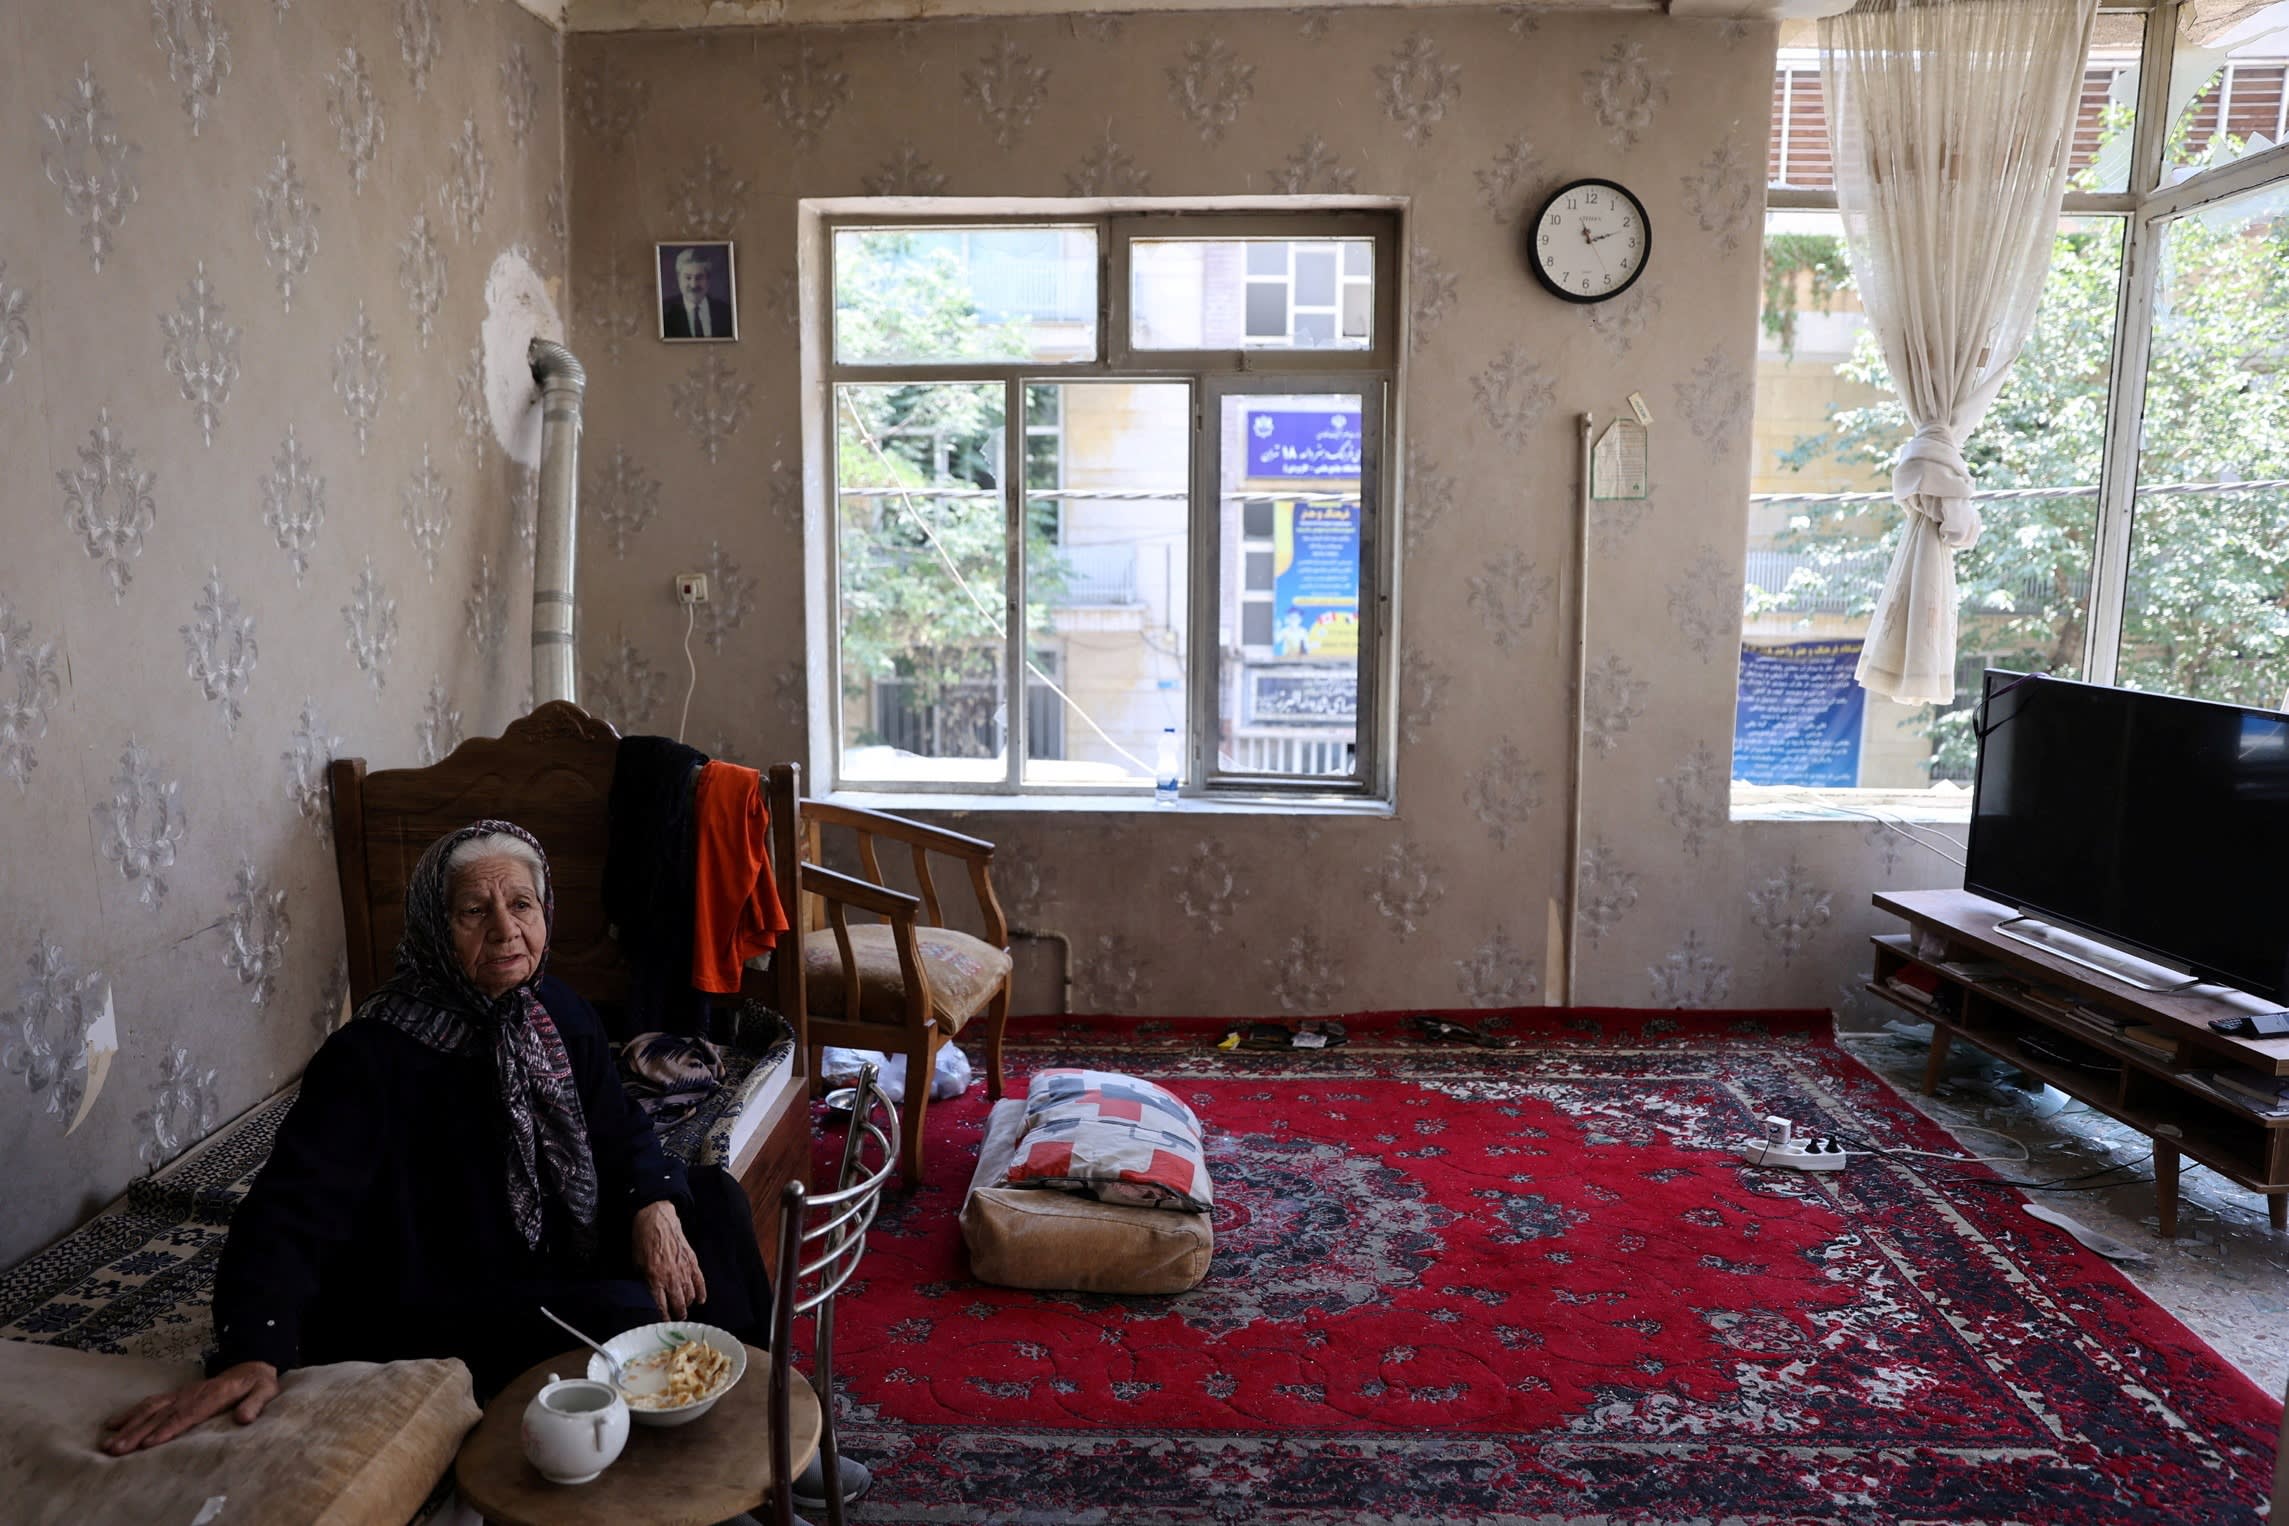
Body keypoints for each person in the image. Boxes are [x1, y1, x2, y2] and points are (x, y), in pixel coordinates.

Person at [100, 819, 773, 1454]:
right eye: (474, 911)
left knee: (713, 1202)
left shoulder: (556, 1011)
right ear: (433, 926)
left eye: (522, 905)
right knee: (629, 1319)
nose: (506, 930)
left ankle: (758, 1417)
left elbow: (620, 1126)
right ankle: (695, 1459)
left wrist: (652, 1203)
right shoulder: (371, 1056)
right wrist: (255, 1347)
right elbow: (289, 1209)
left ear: (545, 912)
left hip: (550, 1249)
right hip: (437, 1292)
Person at [663, 247, 733, 340]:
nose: (693, 285)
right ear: (679, 279)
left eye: (699, 277)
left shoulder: (725, 312)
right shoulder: (664, 312)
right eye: (688, 278)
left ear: (708, 280)